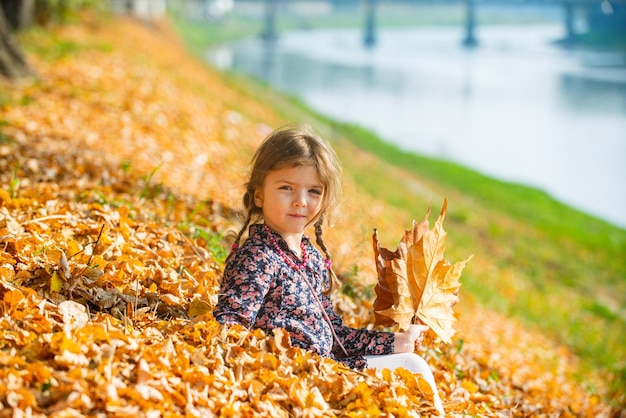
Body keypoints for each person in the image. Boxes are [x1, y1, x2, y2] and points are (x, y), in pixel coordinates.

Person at [213, 124, 444, 414]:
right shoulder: (258, 257)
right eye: (286, 188)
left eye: (314, 191)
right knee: (411, 368)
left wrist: (395, 342)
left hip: (325, 368)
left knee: (411, 366)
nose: (301, 201)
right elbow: (229, 326)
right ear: (259, 194)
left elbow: (335, 338)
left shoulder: (311, 258)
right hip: (293, 377)